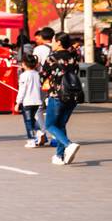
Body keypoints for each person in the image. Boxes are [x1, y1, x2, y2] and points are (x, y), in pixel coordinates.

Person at [40, 32, 83, 165]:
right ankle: (60, 156)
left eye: (53, 41)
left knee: (50, 125)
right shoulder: (73, 57)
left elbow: (42, 76)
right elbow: (75, 72)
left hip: (57, 95)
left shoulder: (52, 57)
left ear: (59, 42)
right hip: (73, 95)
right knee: (60, 125)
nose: (52, 44)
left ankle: (68, 144)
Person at [14, 53, 44, 147]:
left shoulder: (24, 75)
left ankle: (31, 140)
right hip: (37, 101)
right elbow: (40, 87)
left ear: (24, 64)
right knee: (32, 120)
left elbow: (22, 90)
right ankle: (39, 132)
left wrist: (17, 102)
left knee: (28, 121)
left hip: (27, 101)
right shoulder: (37, 74)